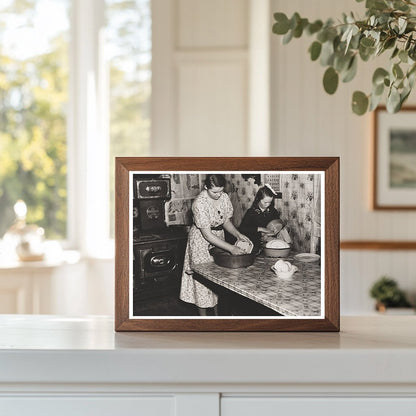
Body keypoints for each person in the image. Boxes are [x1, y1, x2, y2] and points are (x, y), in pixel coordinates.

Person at [179, 174, 250, 316]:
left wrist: (238, 234)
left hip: (218, 238)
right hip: (200, 241)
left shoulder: (223, 197)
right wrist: (231, 248)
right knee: (202, 279)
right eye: (214, 192)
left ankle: (218, 316)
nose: (218, 195)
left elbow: (226, 222)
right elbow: (207, 235)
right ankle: (204, 319)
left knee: (218, 277)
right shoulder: (200, 203)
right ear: (206, 187)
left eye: (220, 191)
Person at [239, 184, 287, 252]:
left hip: (269, 240)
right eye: (265, 202)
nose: (267, 205)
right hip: (254, 242)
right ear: (258, 199)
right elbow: (242, 229)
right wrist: (260, 229)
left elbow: (279, 223)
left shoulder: (272, 211)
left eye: (269, 202)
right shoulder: (251, 212)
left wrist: (277, 228)